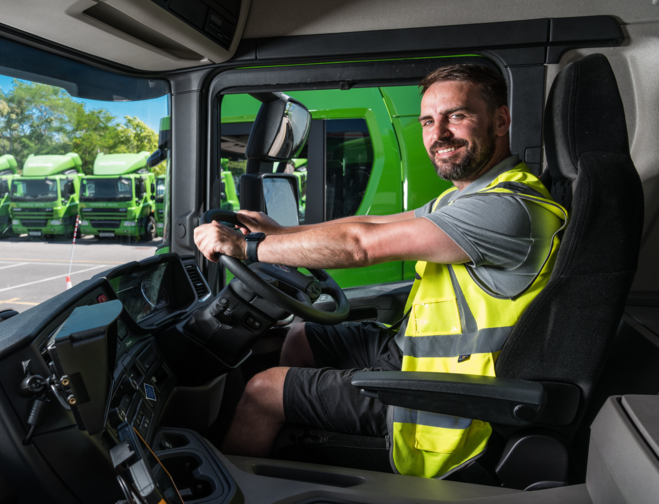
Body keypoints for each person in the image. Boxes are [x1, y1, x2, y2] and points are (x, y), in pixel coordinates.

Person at [193, 64, 568, 478]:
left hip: (448, 399)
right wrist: (281, 231)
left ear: (500, 120)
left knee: (263, 391)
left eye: (456, 116)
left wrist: (246, 247)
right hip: (420, 357)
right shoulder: (468, 197)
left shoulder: (507, 208)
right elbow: (375, 224)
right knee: (303, 337)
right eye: (428, 120)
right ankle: (295, 449)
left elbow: (360, 246)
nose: (438, 133)